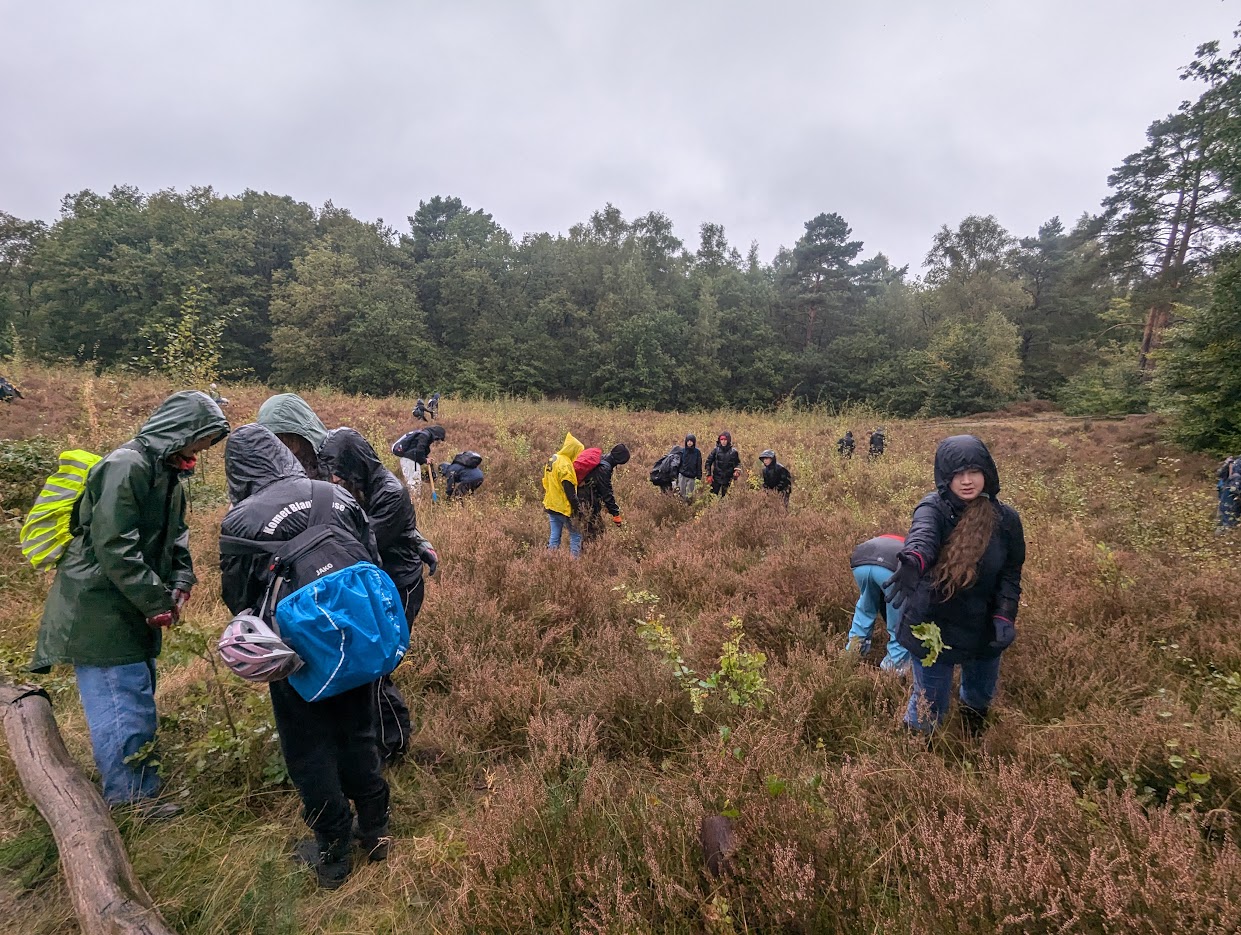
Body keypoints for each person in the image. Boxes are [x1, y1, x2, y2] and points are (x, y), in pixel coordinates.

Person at [30, 392, 229, 817]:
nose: (198, 452)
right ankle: (130, 800)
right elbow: (113, 543)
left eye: (205, 445)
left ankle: (137, 781)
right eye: (198, 441)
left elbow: (177, 534)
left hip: (126, 601)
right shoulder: (127, 466)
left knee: (135, 693)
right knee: (121, 702)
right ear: (178, 431)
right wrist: (154, 599)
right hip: (98, 605)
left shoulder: (168, 474)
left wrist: (180, 579)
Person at [219, 424, 389, 888]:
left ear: (237, 472)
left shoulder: (240, 521)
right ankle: (375, 827)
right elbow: (371, 558)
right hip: (356, 636)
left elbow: (237, 598)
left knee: (308, 748)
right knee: (359, 729)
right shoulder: (334, 494)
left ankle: (332, 854)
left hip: (293, 653)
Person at [883, 435, 1026, 736]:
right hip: (934, 620)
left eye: (973, 472)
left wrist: (1004, 614)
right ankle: (916, 751)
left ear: (987, 473)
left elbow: (1011, 572)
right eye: (957, 474)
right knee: (929, 701)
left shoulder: (1006, 519)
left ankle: (971, 737)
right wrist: (914, 560)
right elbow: (923, 537)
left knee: (980, 694)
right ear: (944, 477)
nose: (966, 481)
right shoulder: (933, 509)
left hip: (983, 621)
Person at [320, 429, 439, 765]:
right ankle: (368, 736)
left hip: (399, 585)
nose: (335, 480)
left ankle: (392, 744)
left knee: (378, 666)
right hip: (374, 584)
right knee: (365, 665)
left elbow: (363, 544)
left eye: (340, 472)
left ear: (356, 465)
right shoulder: (355, 488)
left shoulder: (390, 493)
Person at [846, 534, 912, 673]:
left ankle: (852, 654)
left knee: (865, 607)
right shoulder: (916, 546)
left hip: (861, 562)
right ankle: (892, 670)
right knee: (900, 622)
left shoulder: (895, 539)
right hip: (891, 568)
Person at [257, 393, 330, 480]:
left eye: (287, 436)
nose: (281, 443)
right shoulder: (264, 470)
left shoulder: (334, 462)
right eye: (275, 438)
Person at [543, 432, 584, 558]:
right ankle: (573, 565)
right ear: (573, 450)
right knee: (576, 535)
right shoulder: (566, 465)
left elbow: (545, 481)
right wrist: (578, 510)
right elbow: (570, 493)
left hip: (551, 504)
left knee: (554, 536)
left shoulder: (553, 458)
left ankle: (550, 563)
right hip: (564, 508)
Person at [580, 444, 630, 540]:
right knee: (595, 531)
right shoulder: (604, 469)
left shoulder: (602, 459)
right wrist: (615, 513)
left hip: (585, 497)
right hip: (587, 500)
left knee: (592, 530)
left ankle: (587, 551)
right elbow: (606, 492)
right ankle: (587, 553)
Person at [391, 425, 446, 498]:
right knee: (414, 483)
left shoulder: (423, 433)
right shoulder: (425, 436)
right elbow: (419, 450)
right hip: (411, 461)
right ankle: (414, 503)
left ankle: (411, 502)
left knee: (412, 483)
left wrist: (425, 458)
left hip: (408, 460)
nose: (436, 441)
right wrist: (425, 460)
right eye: (438, 438)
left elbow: (417, 449)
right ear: (436, 434)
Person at [705, 431, 741, 497]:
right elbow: (708, 462)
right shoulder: (716, 450)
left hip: (728, 479)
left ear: (728, 440)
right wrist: (708, 475)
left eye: (725, 440)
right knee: (712, 497)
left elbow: (737, 463)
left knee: (726, 498)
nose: (723, 441)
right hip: (716, 478)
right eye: (722, 440)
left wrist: (737, 471)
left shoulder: (733, 452)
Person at [678, 434, 702, 500]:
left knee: (689, 494)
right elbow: (678, 463)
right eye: (688, 441)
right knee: (682, 493)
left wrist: (699, 477)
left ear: (694, 442)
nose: (689, 443)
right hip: (682, 475)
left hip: (692, 476)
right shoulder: (682, 451)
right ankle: (682, 506)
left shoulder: (697, 452)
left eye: (691, 441)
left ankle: (688, 506)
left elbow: (699, 464)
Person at [1218, 455, 1239, 529]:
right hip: (1229, 491)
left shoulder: (1235, 461)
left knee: (1225, 517)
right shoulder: (1236, 462)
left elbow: (1220, 474)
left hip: (1228, 490)